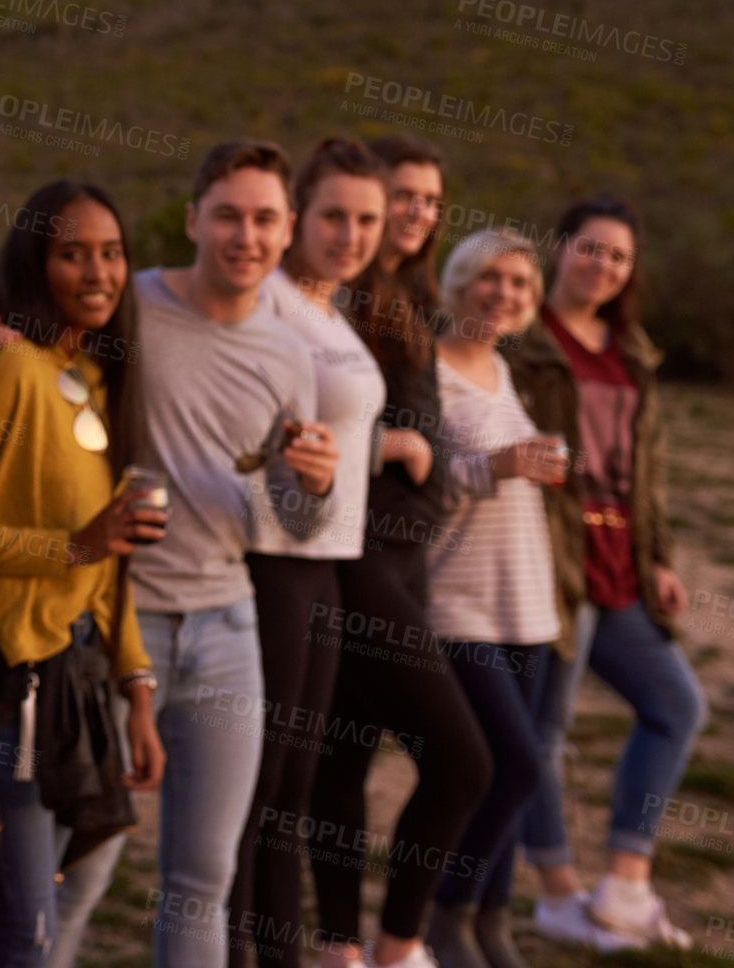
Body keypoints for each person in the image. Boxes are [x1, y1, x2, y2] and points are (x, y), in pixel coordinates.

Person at [129, 140, 337, 968]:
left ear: (287, 233)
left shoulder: (290, 354)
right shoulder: (131, 306)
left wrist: (310, 487)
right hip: (119, 620)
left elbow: (289, 520)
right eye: (226, 215)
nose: (243, 236)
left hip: (226, 625)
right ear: (192, 220)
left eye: (262, 219)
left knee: (203, 875)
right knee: (85, 854)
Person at [308, 136, 491, 968]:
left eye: (429, 200)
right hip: (358, 553)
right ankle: (397, 948)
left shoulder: (404, 294)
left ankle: (344, 950)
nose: (417, 213)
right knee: (462, 761)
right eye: (402, 197)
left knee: (345, 755)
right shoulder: (338, 294)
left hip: (404, 556)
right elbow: (307, 408)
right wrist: (390, 444)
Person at [0, 180, 167, 968]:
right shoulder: (14, 370)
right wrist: (71, 548)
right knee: (24, 925)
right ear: (34, 263)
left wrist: (137, 690)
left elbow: (111, 552)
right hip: (16, 683)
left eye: (111, 253)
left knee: (63, 896)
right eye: (72, 254)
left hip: (85, 678)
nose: (98, 272)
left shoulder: (95, 379)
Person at [511, 197, 702, 951]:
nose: (602, 267)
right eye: (589, 249)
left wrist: (659, 558)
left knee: (675, 706)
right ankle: (556, 893)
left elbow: (644, 473)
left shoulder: (633, 352)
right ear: (558, 248)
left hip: (622, 563)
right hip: (552, 564)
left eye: (618, 257)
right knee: (544, 734)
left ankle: (624, 887)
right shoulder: (522, 338)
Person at [231, 138, 389, 968]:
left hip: (328, 559)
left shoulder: (332, 310)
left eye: (367, 219)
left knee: (293, 787)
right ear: (297, 218)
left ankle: (278, 955)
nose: (350, 233)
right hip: (271, 558)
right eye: (333, 215)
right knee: (261, 791)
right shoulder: (268, 299)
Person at [422, 230, 568, 968]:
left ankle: (491, 922)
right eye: (490, 278)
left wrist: (527, 466)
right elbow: (422, 484)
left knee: (516, 769)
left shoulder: (500, 369)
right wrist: (502, 464)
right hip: (457, 603)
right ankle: (444, 912)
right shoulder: (428, 371)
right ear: (458, 283)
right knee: (509, 767)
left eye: (518, 282)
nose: (505, 293)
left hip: (525, 606)